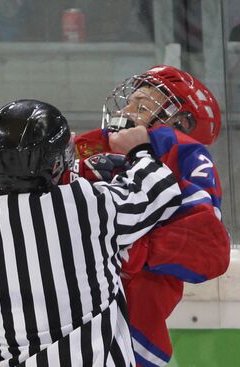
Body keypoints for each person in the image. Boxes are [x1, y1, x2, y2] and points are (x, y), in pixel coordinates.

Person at [0, 99, 183, 366]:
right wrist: (140, 150)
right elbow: (160, 191)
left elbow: (16, 218)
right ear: (55, 165)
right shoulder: (84, 204)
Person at [70, 65, 230, 366]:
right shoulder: (91, 146)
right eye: (129, 101)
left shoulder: (187, 155)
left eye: (142, 106)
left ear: (181, 122)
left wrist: (129, 247)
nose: (127, 110)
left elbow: (207, 248)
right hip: (66, 316)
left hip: (122, 323)